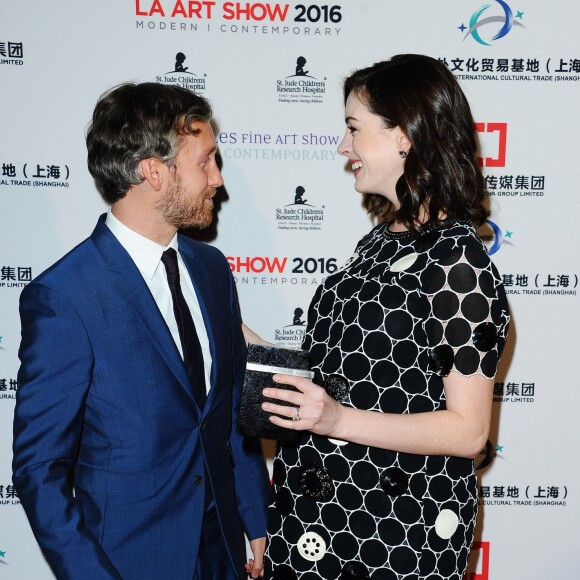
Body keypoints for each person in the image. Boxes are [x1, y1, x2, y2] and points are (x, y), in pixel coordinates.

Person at [259, 54, 510, 579]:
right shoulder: (376, 244)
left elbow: (468, 432)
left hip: (392, 532)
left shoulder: (456, 262)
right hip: (318, 517)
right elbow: (343, 377)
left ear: (405, 135)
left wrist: (335, 420)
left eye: (353, 128)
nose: (343, 147)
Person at [12, 82, 269, 580]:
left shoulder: (213, 270)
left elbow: (232, 410)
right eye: (205, 162)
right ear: (154, 170)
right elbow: (38, 471)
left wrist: (256, 518)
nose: (218, 179)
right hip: (127, 563)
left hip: (223, 556)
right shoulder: (66, 297)